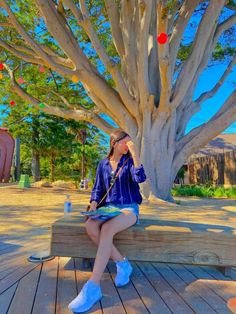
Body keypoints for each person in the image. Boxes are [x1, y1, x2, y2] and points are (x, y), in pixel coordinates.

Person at [68, 129, 146, 313]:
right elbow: (97, 189)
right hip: (108, 208)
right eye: (125, 142)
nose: (128, 145)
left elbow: (140, 178)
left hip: (128, 208)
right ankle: (122, 263)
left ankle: (93, 287)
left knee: (107, 229)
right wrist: (94, 204)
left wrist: (135, 154)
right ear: (114, 143)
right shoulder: (103, 164)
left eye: (130, 142)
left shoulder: (129, 162)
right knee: (90, 225)